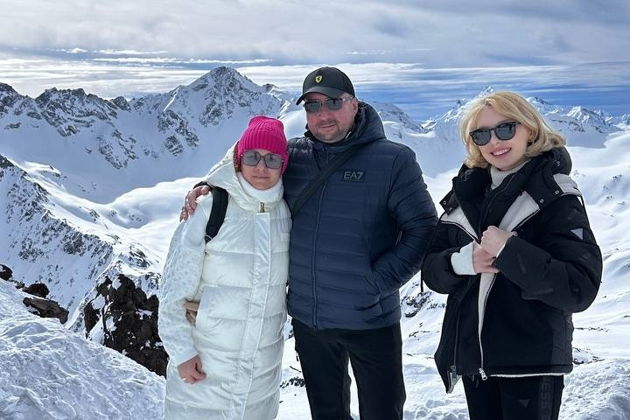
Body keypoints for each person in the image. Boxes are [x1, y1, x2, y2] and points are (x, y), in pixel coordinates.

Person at [182, 67, 437, 419]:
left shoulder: (393, 160)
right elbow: (249, 176)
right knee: (326, 413)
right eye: (313, 106)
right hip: (310, 321)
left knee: (382, 412)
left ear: (354, 104)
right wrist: (208, 187)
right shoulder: (293, 157)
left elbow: (423, 229)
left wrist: (376, 283)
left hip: (371, 320)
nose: (323, 114)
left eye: (333, 102)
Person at [421, 91, 602, 420]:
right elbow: (431, 271)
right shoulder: (465, 195)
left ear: (529, 130)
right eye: (481, 134)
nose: (494, 142)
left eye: (506, 129)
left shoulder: (554, 195)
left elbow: (579, 287)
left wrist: (509, 251)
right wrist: (462, 262)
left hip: (531, 365)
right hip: (476, 364)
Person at [158, 116, 291, 420]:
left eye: (272, 159)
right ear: (238, 158)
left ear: (283, 165)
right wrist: (181, 352)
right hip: (205, 367)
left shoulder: (286, 211)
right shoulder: (208, 208)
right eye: (252, 156)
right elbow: (173, 289)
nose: (261, 167)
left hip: (261, 376)